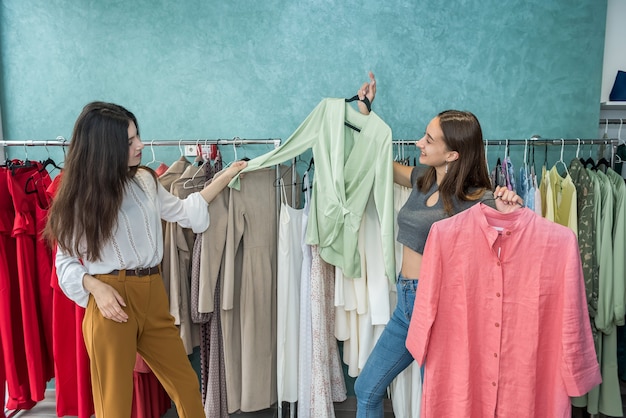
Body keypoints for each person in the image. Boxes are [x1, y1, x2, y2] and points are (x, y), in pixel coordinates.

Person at [43, 101, 247, 418]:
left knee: (186, 384)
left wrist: (227, 175)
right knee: (115, 405)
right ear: (105, 148)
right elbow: (65, 264)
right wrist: (95, 287)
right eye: (129, 142)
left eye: (137, 136)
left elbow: (185, 212)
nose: (140, 145)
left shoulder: (145, 181)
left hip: (153, 292)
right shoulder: (81, 198)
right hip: (112, 302)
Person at [352, 73, 523, 417]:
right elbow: (378, 164)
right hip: (407, 305)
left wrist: (511, 205)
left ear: (453, 155)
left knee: (441, 403)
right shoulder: (421, 178)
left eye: (429, 140)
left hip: (440, 310)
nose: (419, 143)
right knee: (367, 389)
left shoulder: (479, 200)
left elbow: (515, 239)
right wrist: (365, 112)